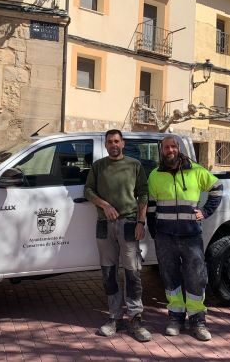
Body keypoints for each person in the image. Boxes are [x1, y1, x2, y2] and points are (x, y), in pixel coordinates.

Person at [147, 135, 223, 341]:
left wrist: (205, 211)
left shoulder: (197, 171)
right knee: (169, 277)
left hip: (191, 236)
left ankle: (198, 321)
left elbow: (217, 188)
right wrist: (156, 234)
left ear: (178, 148)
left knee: (196, 278)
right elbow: (151, 208)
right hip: (165, 237)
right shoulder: (154, 175)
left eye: (173, 146)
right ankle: (175, 318)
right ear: (161, 150)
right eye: (166, 147)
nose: (170, 150)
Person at [84, 129, 152, 343]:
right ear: (105, 145)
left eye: (116, 141)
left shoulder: (134, 165)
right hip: (105, 224)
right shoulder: (98, 166)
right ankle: (114, 316)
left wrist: (141, 221)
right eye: (109, 142)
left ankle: (135, 318)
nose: (113, 145)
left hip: (129, 223)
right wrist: (104, 205)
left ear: (122, 143)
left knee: (132, 272)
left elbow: (143, 193)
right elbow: (88, 191)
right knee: (108, 272)